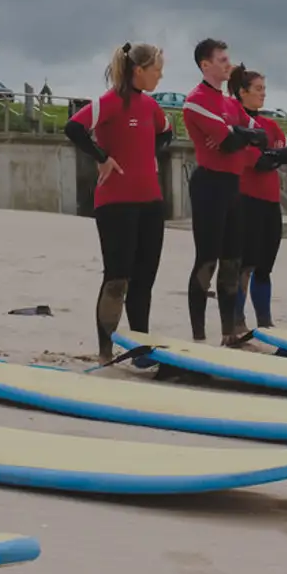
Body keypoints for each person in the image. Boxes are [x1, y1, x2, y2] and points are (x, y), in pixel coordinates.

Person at [64, 42, 176, 361]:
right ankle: (105, 350)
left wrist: (150, 153)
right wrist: (102, 157)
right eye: (157, 70)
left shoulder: (150, 107)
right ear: (138, 70)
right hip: (116, 203)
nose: (160, 76)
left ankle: (140, 348)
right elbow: (74, 127)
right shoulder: (111, 102)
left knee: (144, 279)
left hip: (151, 201)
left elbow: (167, 132)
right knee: (117, 276)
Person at [180, 39, 269, 343]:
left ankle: (229, 332)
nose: (227, 64)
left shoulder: (231, 103)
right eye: (221, 60)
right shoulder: (195, 99)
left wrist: (236, 134)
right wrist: (236, 135)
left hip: (233, 185)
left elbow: (260, 135)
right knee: (207, 259)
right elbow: (233, 141)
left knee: (233, 259)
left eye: (227, 58)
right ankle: (198, 336)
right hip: (209, 184)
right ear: (205, 65)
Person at [228, 64, 287, 330]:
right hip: (246, 200)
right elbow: (258, 163)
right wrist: (271, 156)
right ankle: (237, 321)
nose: (263, 94)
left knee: (264, 266)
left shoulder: (268, 124)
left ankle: (265, 322)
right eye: (258, 89)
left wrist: (271, 155)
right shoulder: (236, 125)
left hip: (270, 203)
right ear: (242, 92)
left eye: (264, 89)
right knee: (244, 264)